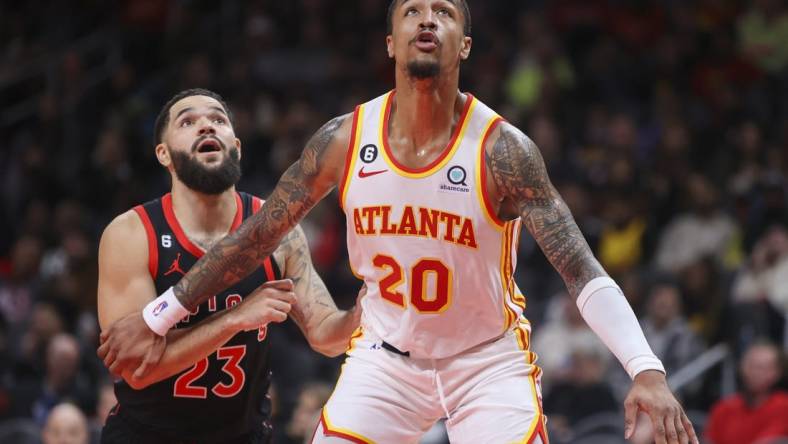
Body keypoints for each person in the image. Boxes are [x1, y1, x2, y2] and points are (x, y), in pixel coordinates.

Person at [99, 2, 698, 443]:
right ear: (391, 41)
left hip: (485, 360)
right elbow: (255, 237)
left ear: (464, 44)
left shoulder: (502, 150)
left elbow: (580, 269)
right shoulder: (341, 139)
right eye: (413, 10)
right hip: (385, 357)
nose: (428, 20)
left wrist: (645, 370)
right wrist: (160, 316)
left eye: (444, 11)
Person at [96, 89, 363, 444]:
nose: (206, 126)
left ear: (236, 146)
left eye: (218, 120)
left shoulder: (278, 230)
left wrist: (367, 310)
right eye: (188, 121)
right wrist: (236, 318)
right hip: (147, 435)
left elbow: (326, 336)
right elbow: (137, 370)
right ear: (163, 154)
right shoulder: (131, 233)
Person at [705, 341, 788, 444]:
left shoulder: (784, 408)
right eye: (751, 365)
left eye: (762, 367)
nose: (755, 373)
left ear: (777, 373)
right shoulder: (723, 408)